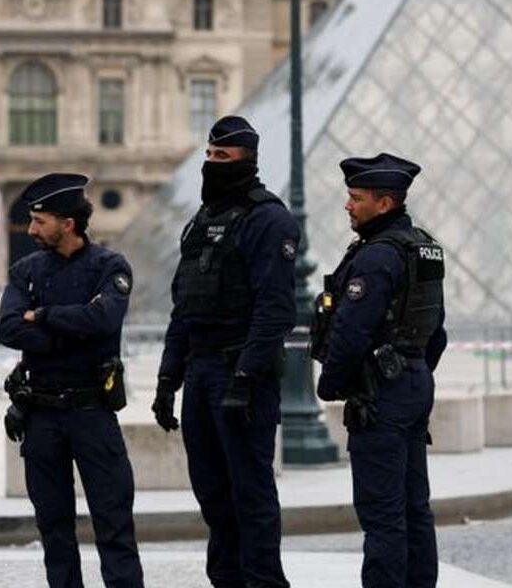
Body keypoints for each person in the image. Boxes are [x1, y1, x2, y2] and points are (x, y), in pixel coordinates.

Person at [150, 115, 297, 588]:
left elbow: (275, 311)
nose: (211, 164)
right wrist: (167, 379)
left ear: (247, 162)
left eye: (222, 158)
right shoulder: (200, 223)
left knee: (251, 493)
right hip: (201, 371)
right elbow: (184, 305)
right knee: (212, 493)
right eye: (209, 156)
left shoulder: (268, 219)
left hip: (241, 375)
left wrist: (245, 378)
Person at [0, 173, 144, 588]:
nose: (31, 230)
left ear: (67, 221)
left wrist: (42, 317)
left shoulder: (109, 266)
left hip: (92, 411)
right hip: (41, 415)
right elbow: (8, 329)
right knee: (53, 530)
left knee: (114, 525)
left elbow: (103, 319)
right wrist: (74, 326)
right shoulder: (25, 270)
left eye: (39, 221)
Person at [313, 153, 447, 588]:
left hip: (380, 394)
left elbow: (350, 333)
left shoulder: (375, 258)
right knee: (414, 509)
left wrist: (330, 385)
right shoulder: (422, 246)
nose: (348, 206)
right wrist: (412, 371)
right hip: (412, 384)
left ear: (384, 204)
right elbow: (437, 333)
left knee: (382, 515)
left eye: (356, 198)